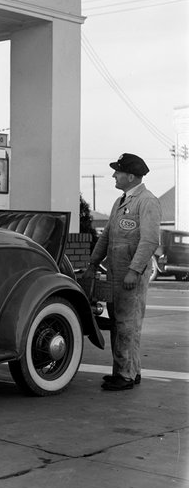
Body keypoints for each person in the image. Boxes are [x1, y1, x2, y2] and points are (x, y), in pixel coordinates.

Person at [82, 153, 161, 391]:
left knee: (127, 323)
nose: (114, 175)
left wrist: (134, 271)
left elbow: (149, 241)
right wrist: (93, 263)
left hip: (130, 276)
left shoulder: (147, 201)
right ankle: (129, 371)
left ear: (131, 175)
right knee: (120, 322)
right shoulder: (121, 201)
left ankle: (125, 376)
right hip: (116, 273)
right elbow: (106, 236)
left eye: (118, 171)